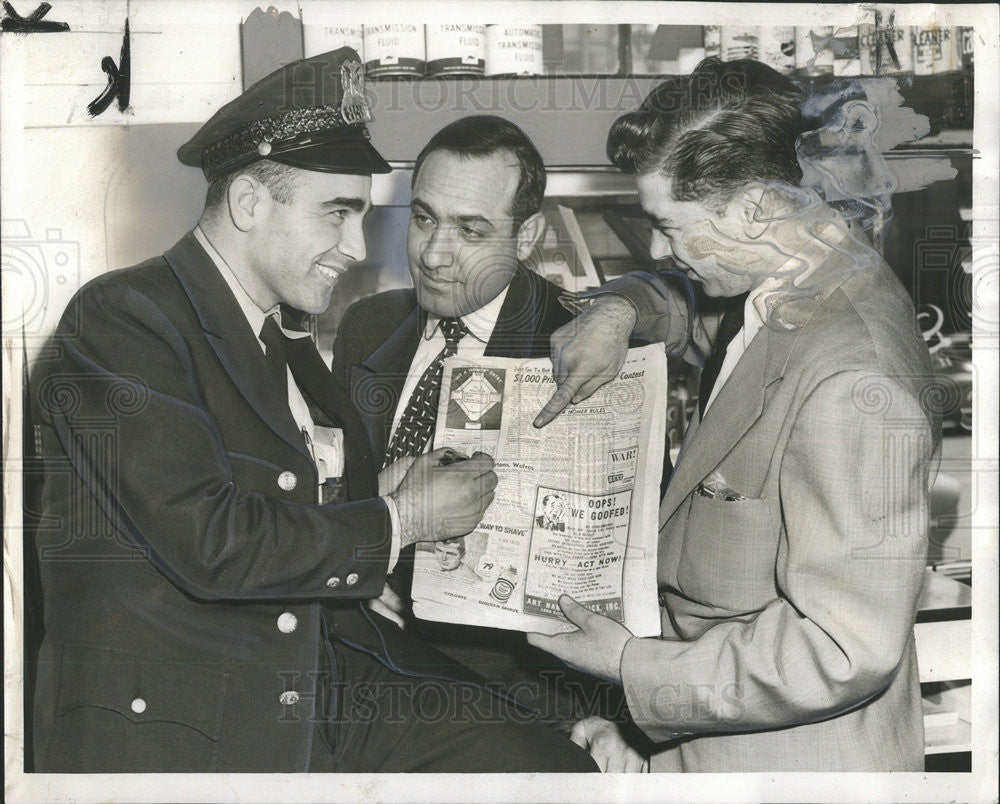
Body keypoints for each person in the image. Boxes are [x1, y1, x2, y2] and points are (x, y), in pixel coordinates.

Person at [28, 48, 596, 773]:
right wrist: (404, 519)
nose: (357, 249)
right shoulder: (123, 316)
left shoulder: (282, 335)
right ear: (249, 203)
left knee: (555, 769)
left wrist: (383, 492)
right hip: (189, 713)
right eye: (338, 214)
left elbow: (287, 499)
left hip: (306, 675)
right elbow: (212, 539)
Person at [528, 58, 940, 772]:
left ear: (757, 209)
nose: (658, 249)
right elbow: (702, 317)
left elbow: (844, 648)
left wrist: (632, 665)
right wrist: (621, 308)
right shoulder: (805, 275)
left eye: (670, 226)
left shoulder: (850, 378)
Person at [331, 115, 641, 729]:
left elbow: (621, 570)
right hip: (368, 681)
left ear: (525, 237)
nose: (435, 254)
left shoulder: (580, 347)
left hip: (520, 708)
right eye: (423, 219)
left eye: (471, 230)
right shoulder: (367, 325)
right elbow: (336, 489)